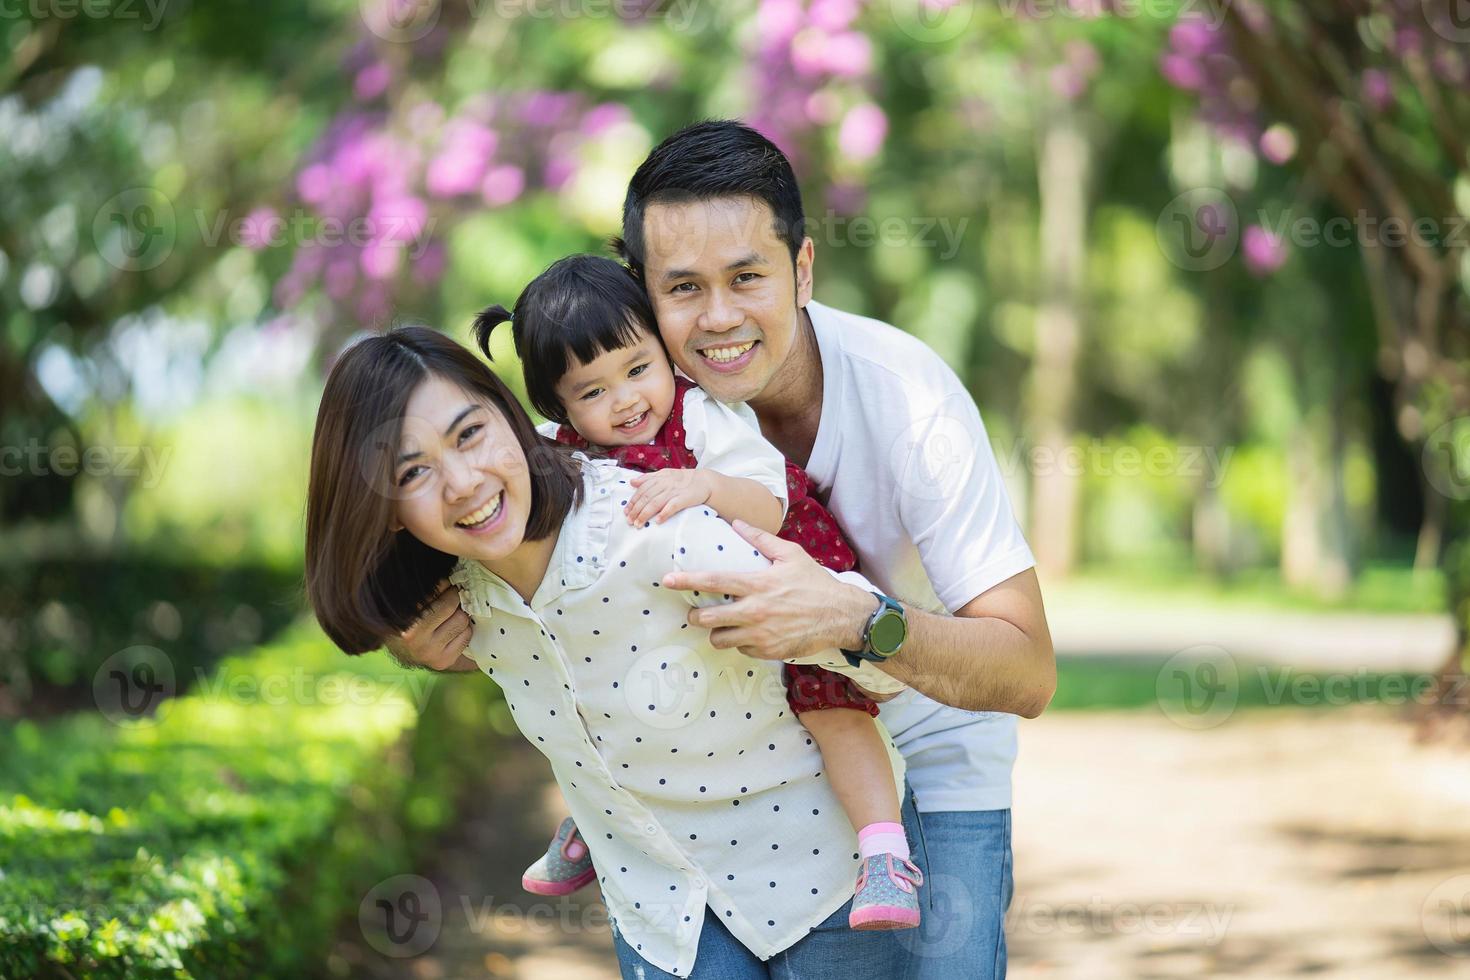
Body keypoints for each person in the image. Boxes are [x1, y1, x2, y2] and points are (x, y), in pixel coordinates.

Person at [393, 120, 1057, 980]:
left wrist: (860, 619)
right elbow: (533, 576)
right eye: (683, 288)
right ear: (642, 297)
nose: (718, 318)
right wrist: (426, 637)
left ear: (803, 269)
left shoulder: (910, 402)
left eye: (748, 277)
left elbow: (1029, 671)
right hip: (738, 759)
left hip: (929, 735)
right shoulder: (624, 408)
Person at [304, 326, 920, 979]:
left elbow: (871, 658)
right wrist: (413, 651)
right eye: (414, 471)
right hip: (662, 914)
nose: (461, 482)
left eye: (469, 434)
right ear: (389, 508)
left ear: (512, 420)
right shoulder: (462, 605)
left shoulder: (653, 530)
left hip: (823, 879)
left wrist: (860, 624)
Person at [474, 253, 921, 930]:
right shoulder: (561, 449)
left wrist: (703, 485)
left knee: (831, 708)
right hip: (672, 614)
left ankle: (884, 853)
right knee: (598, 698)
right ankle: (598, 824)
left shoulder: (701, 416)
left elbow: (772, 499)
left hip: (782, 580)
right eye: (591, 392)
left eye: (636, 369)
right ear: (558, 407)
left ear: (663, 348)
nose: (625, 401)